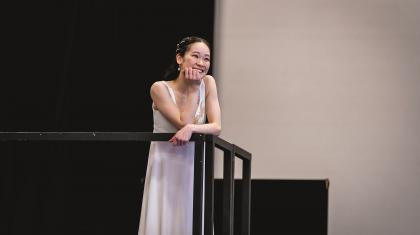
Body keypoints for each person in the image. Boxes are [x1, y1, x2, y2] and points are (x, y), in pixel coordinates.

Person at [138, 36, 221, 235]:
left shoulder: (208, 83)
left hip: (192, 164)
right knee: (163, 219)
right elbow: (183, 122)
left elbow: (216, 126)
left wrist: (193, 129)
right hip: (164, 165)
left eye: (206, 58)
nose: (202, 63)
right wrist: (193, 89)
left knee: (190, 217)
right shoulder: (159, 88)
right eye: (195, 56)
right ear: (179, 58)